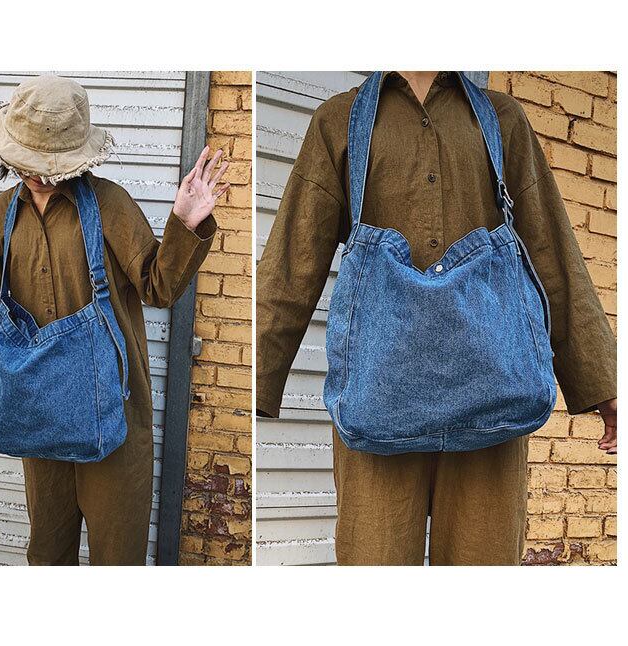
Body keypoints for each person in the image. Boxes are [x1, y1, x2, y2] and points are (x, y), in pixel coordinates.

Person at [256, 71, 617, 566]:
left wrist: (602, 385)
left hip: (491, 405)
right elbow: (292, 261)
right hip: (378, 404)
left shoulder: (503, 120)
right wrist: (257, 382)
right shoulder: (338, 121)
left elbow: (549, 250)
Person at [0, 75, 230, 566]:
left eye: (52, 162)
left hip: (114, 420)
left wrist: (185, 223)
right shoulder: (4, 212)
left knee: (117, 559)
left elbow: (158, 287)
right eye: (31, 161)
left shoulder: (111, 204)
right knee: (48, 555)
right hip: (40, 420)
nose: (41, 174)